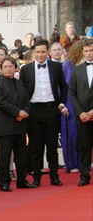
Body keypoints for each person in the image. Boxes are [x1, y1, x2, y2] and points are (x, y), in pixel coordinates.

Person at [19, 39, 68, 187]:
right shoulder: (26, 69)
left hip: (51, 109)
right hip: (33, 111)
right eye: (38, 52)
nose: (40, 55)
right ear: (34, 53)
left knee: (52, 146)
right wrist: (25, 109)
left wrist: (61, 103)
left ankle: (54, 176)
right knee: (35, 146)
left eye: (43, 52)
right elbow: (21, 92)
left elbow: (64, 87)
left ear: (48, 52)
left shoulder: (56, 67)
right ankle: (36, 178)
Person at [0, 56, 35, 191]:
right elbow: (0, 103)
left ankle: (22, 180)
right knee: (4, 155)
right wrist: (18, 113)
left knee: (21, 154)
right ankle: (4, 182)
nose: (8, 69)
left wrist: (24, 112)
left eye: (11, 66)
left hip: (20, 124)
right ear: (1, 68)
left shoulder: (19, 83)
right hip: (5, 125)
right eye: (5, 67)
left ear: (15, 67)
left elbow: (27, 100)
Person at [68, 37, 93, 186]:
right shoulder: (77, 70)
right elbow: (72, 93)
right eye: (87, 51)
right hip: (82, 116)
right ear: (82, 52)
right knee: (84, 146)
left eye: (91, 50)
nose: (89, 54)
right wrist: (80, 113)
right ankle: (84, 175)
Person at [61, 41, 83, 173]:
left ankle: (84, 162)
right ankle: (72, 163)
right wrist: (63, 105)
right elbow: (62, 87)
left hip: (85, 103)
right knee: (72, 134)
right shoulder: (67, 66)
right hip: (70, 103)